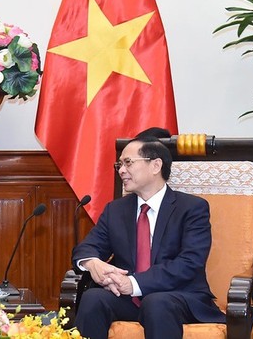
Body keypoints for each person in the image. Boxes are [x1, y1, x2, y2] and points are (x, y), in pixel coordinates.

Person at [71, 134, 225, 339]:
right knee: (93, 298)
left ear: (155, 165)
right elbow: (87, 247)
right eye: (119, 165)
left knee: (156, 303)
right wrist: (93, 263)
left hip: (179, 297)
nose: (121, 170)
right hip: (129, 300)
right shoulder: (115, 210)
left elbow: (190, 263)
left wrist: (133, 283)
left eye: (128, 163)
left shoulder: (191, 208)